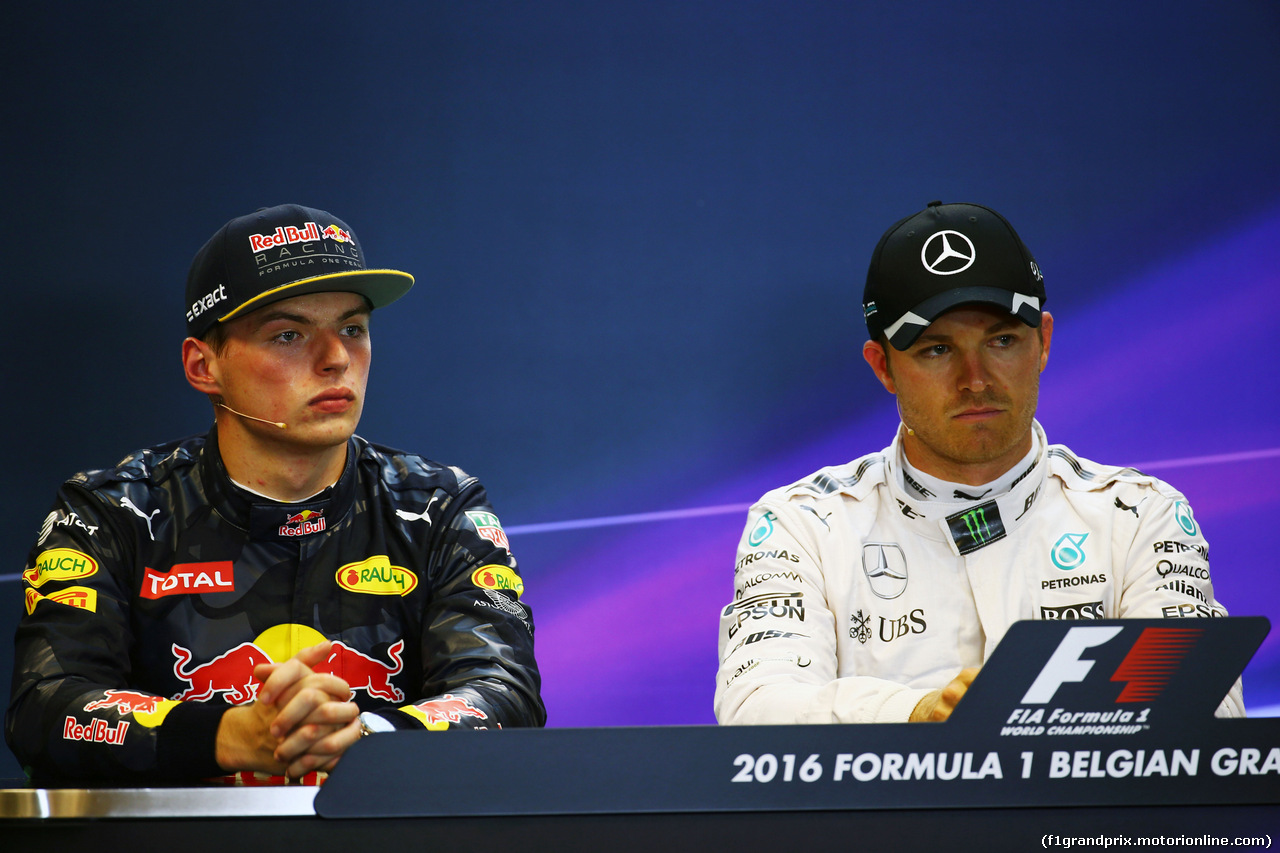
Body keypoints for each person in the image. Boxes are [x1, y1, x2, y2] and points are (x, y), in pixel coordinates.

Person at [7, 204, 544, 783]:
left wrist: (370, 740)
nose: (336, 359)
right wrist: (226, 736)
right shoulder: (110, 513)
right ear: (203, 365)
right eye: (288, 334)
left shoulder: (441, 510)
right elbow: (46, 708)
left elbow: (504, 694)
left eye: (352, 329)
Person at [715, 200, 1242, 725]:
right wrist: (918, 716)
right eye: (937, 350)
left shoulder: (1139, 515)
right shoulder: (803, 525)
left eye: (1002, 340)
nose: (976, 379)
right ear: (883, 367)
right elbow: (755, 709)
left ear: (1044, 343)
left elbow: (1210, 717)